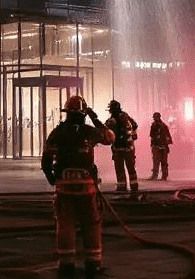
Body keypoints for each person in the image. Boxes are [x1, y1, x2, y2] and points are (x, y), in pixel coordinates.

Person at [42, 95, 115, 279]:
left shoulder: (57, 133)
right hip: (87, 188)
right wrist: (95, 117)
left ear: (66, 113)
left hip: (64, 187)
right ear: (84, 114)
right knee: (91, 224)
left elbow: (46, 160)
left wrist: (52, 178)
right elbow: (110, 137)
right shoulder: (89, 131)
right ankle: (93, 264)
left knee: (65, 224)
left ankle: (66, 265)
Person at [104, 100, 139, 193]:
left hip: (118, 149)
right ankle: (134, 185)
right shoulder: (126, 117)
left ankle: (122, 186)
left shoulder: (112, 120)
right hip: (130, 148)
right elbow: (135, 125)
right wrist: (133, 135)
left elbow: (105, 129)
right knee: (131, 168)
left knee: (119, 168)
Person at [148, 112, 172, 181]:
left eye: (156, 117)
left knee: (162, 162)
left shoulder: (163, 126)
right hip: (158, 146)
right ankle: (158, 176)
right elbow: (152, 135)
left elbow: (168, 136)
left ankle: (163, 176)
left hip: (161, 146)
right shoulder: (156, 125)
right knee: (158, 162)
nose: (155, 119)